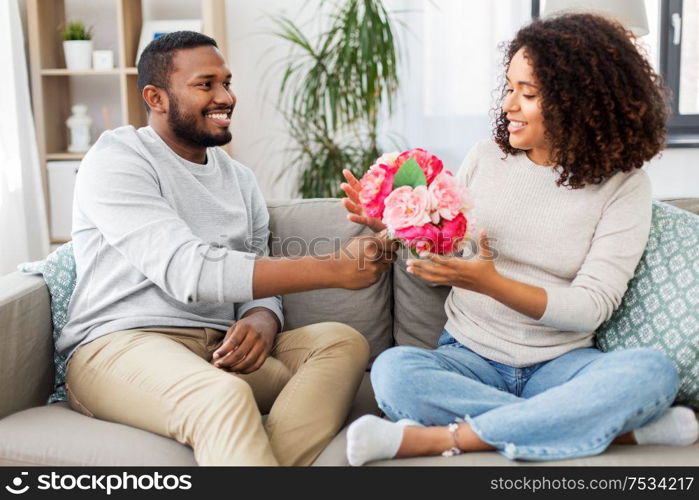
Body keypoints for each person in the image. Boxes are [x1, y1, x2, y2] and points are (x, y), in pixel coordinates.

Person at [340, 13, 698, 465]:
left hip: (562, 366)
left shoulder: (623, 186)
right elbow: (448, 257)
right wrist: (400, 228)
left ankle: (441, 439)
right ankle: (608, 432)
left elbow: (591, 306)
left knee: (652, 373)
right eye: (508, 88)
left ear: (578, 102)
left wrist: (493, 283)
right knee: (393, 372)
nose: (508, 104)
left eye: (527, 93)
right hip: (467, 357)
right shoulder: (487, 158)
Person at [60, 31, 396, 466]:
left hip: (217, 351)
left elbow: (254, 268)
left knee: (342, 341)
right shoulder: (118, 160)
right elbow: (189, 271)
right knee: (224, 398)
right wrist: (336, 269)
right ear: (156, 98)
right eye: (206, 84)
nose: (226, 97)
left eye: (227, 82)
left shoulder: (239, 179)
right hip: (120, 346)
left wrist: (262, 316)